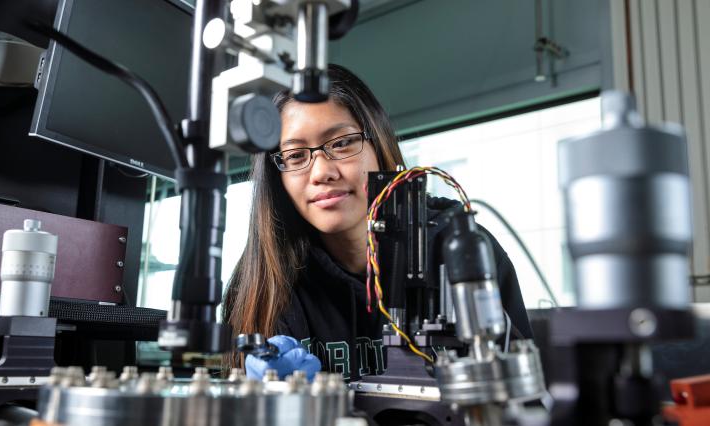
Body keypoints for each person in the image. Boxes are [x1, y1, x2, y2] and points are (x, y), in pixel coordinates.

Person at [222, 64, 532, 381]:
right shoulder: (261, 282)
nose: (321, 173)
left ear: (378, 144)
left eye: (341, 143)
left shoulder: (460, 249)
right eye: (296, 156)